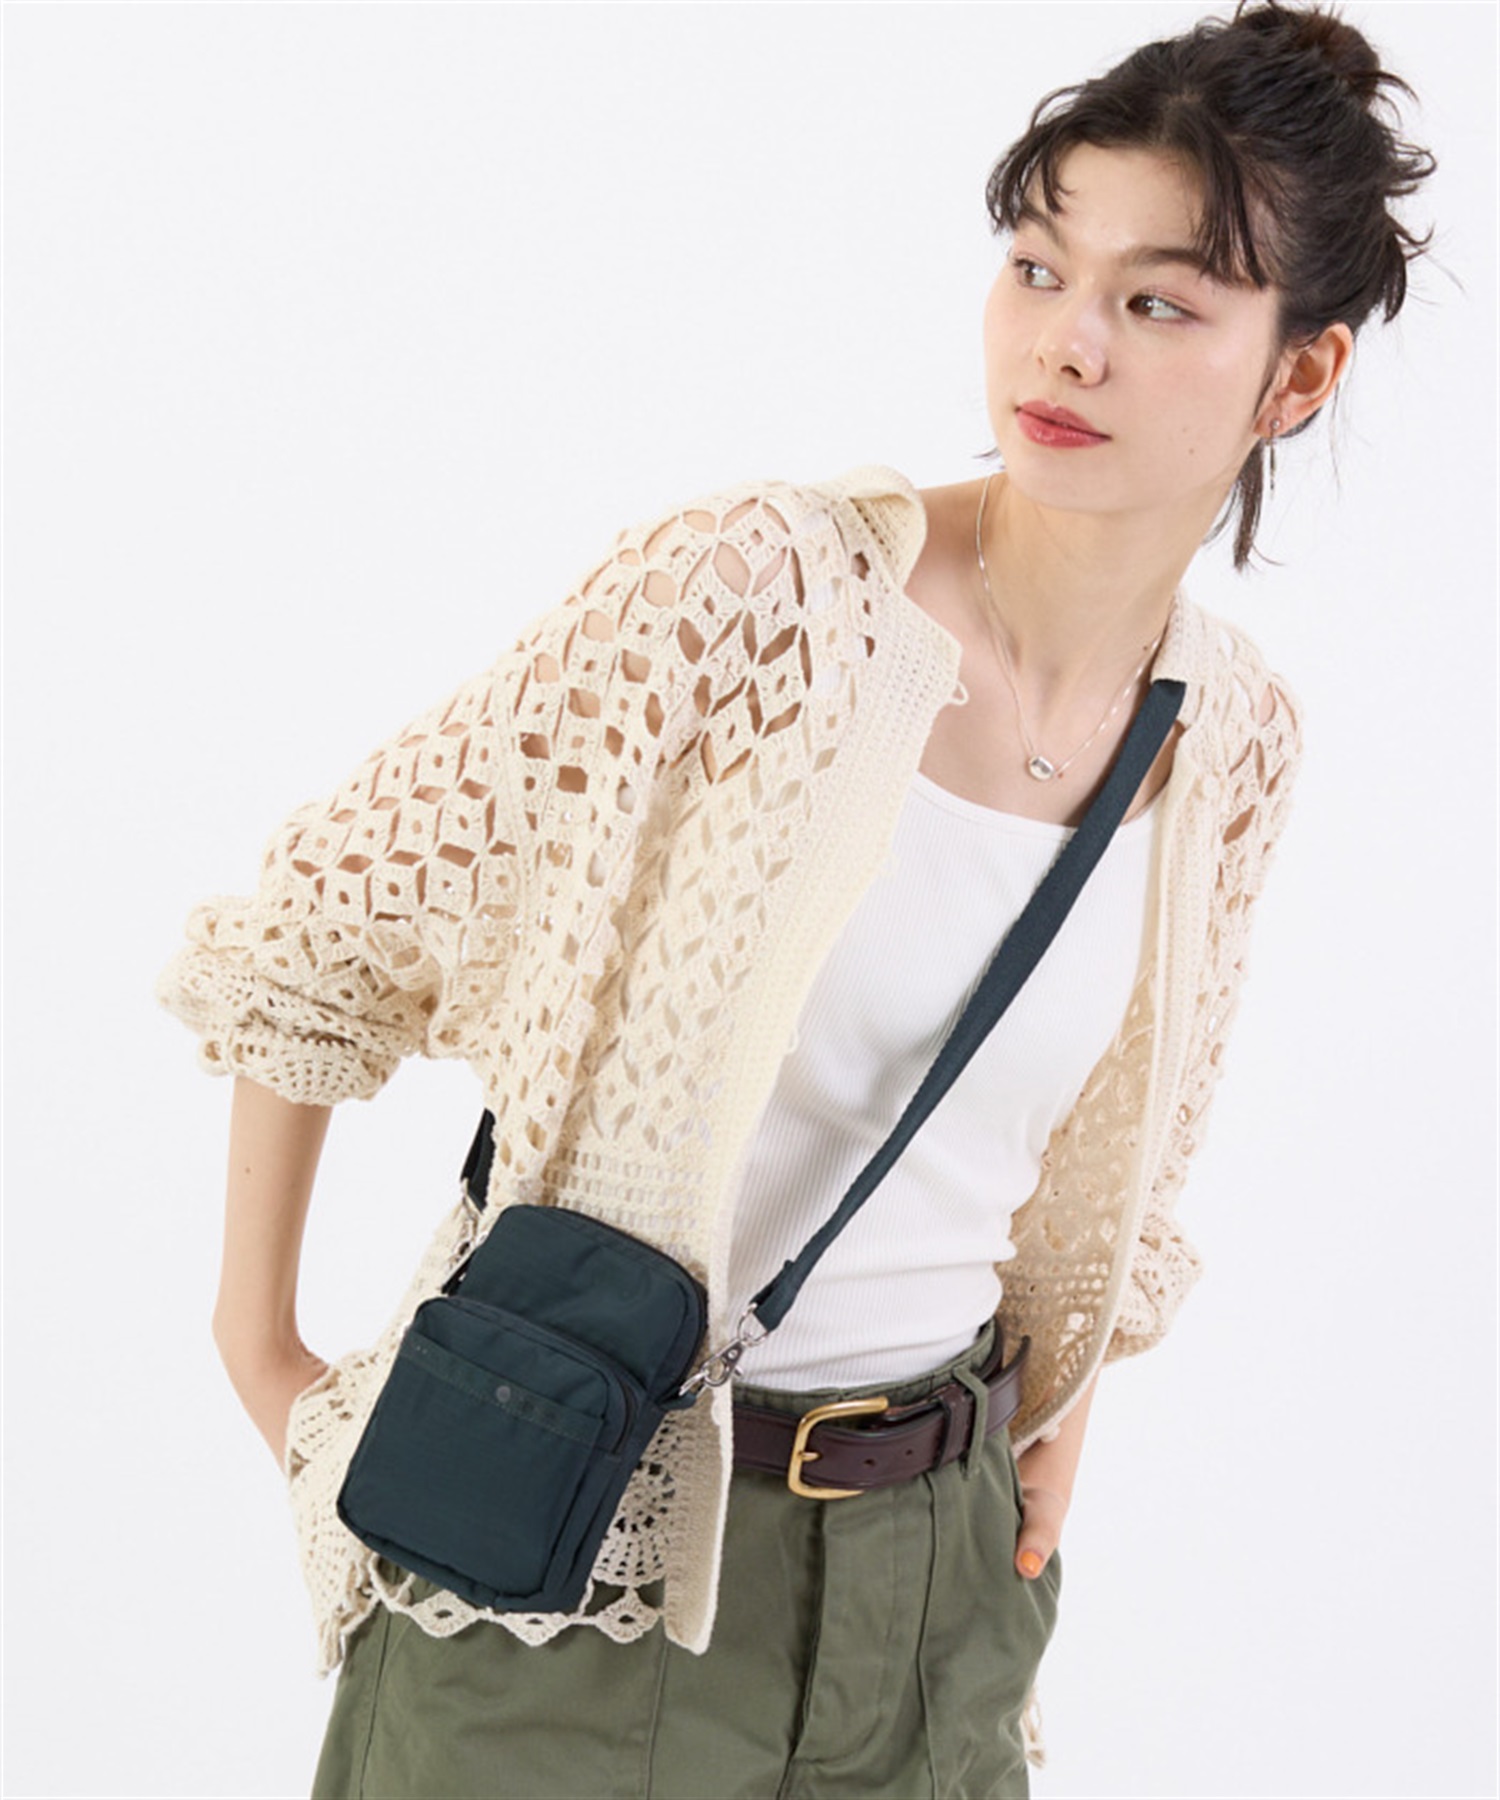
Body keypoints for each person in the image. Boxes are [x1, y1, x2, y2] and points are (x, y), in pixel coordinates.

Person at [155, 3, 1435, 1795]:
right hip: (582, 1561)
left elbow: (1119, 1175)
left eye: (1159, 304)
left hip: (939, 1602)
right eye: (1038, 266)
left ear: (1297, 377)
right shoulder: (763, 598)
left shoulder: (1232, 742)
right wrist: (261, 1351)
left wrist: (1062, 1417)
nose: (1065, 342)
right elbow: (317, 930)